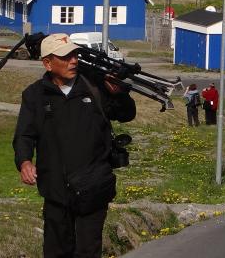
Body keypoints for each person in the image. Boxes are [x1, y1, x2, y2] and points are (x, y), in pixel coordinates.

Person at [14, 33, 136, 258]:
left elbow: (127, 114)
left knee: (88, 252)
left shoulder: (94, 87)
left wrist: (118, 95)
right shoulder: (34, 95)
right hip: (56, 191)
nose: (73, 60)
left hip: (94, 188)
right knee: (56, 251)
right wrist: (24, 162)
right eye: (65, 56)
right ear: (48, 63)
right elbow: (24, 134)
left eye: (74, 54)